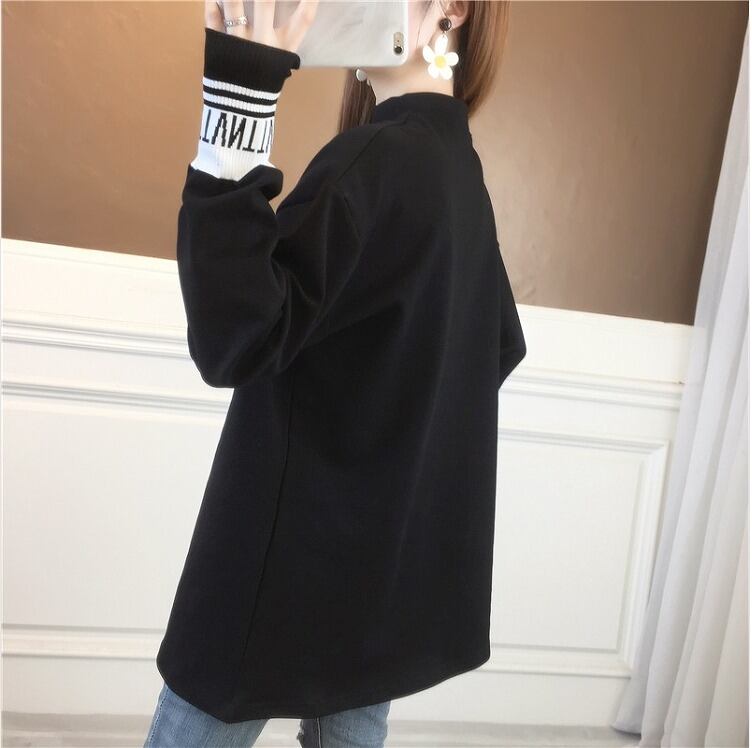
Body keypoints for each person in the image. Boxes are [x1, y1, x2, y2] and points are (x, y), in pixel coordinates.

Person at [145, 0, 525, 745]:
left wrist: (239, 94)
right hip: (382, 571)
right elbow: (495, 349)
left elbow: (232, 335)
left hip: (286, 561)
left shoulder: (380, 159)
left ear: (451, 9)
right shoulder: (458, 171)